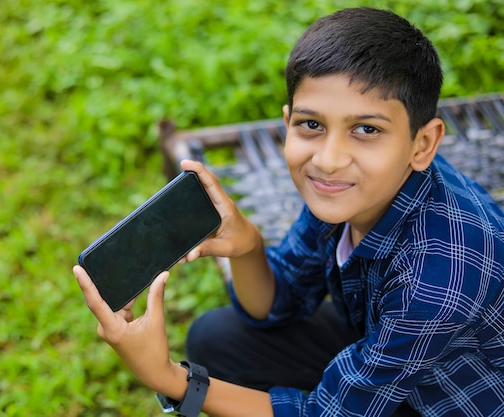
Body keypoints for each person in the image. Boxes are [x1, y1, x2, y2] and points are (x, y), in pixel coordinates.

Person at [73, 7, 504, 417]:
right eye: (311, 125)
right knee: (217, 340)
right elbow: (283, 302)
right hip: (395, 346)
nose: (329, 159)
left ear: (423, 144)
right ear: (288, 122)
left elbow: (328, 411)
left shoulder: (438, 280)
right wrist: (248, 246)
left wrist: (170, 379)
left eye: (367, 130)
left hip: (458, 400)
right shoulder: (353, 188)